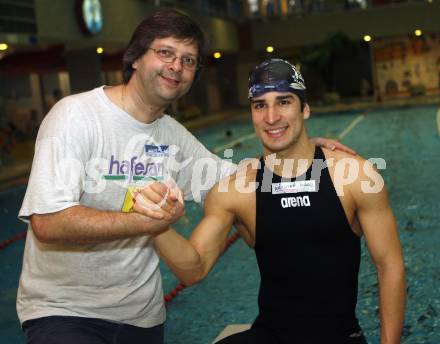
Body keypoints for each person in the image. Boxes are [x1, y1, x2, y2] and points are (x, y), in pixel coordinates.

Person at [16, 8, 353, 344]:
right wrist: (144, 221)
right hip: (64, 312)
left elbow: (241, 183)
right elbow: (48, 222)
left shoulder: (173, 139)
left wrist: (300, 149)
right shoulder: (77, 116)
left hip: (141, 316)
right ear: (135, 58)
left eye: (188, 60)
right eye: (165, 52)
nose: (176, 66)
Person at [146, 59, 406, 344]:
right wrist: (154, 223)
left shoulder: (355, 176)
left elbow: (389, 265)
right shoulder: (236, 190)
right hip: (270, 335)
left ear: (304, 109)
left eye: (284, 102)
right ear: (252, 114)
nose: (271, 117)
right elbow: (194, 270)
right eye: (260, 105)